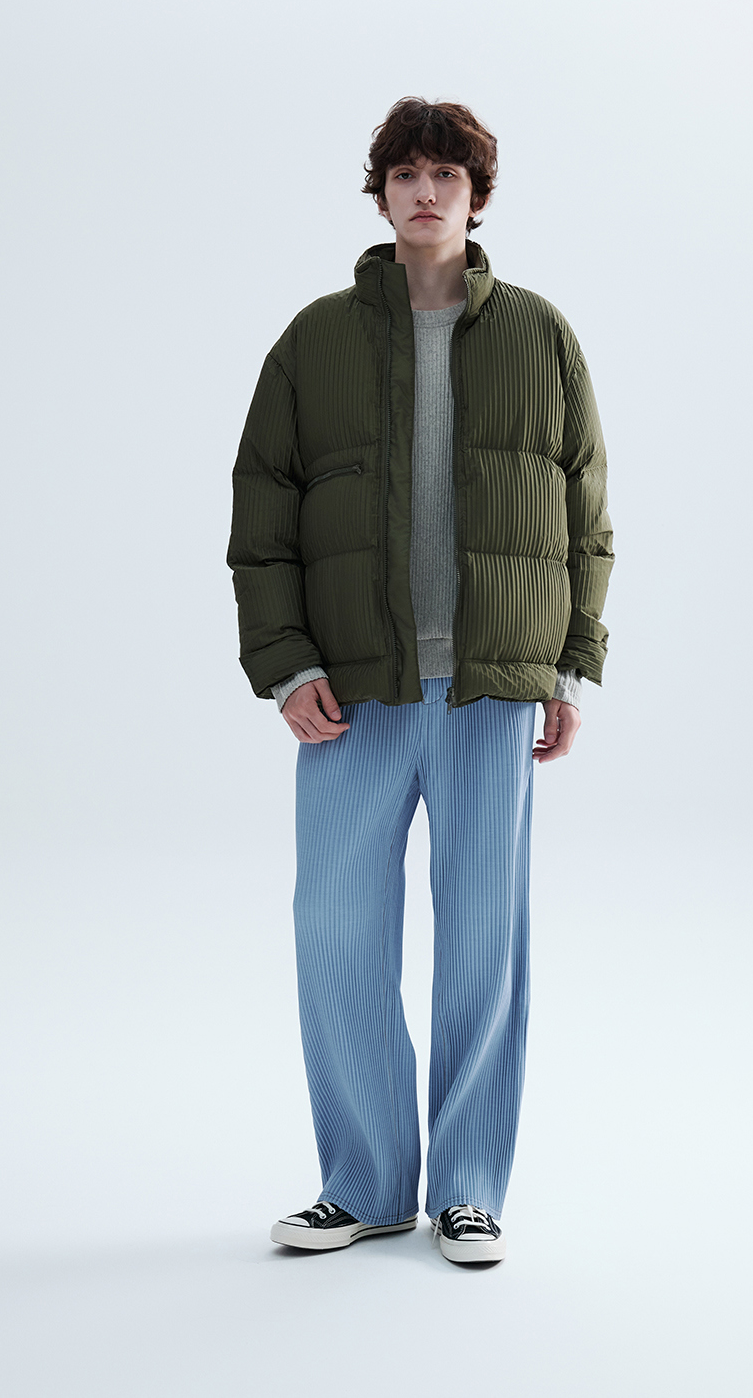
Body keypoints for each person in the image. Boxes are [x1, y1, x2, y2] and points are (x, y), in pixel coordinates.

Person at [227, 97, 613, 1265]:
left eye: (447, 174)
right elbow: (261, 515)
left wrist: (569, 667)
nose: (426, 192)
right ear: (382, 192)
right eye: (406, 173)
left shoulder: (539, 335)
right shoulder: (315, 341)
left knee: (484, 945)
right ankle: (363, 1184)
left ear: (476, 197)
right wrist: (287, 664)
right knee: (337, 934)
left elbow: (585, 515)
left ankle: (469, 1187)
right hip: (354, 694)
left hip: (491, 692)